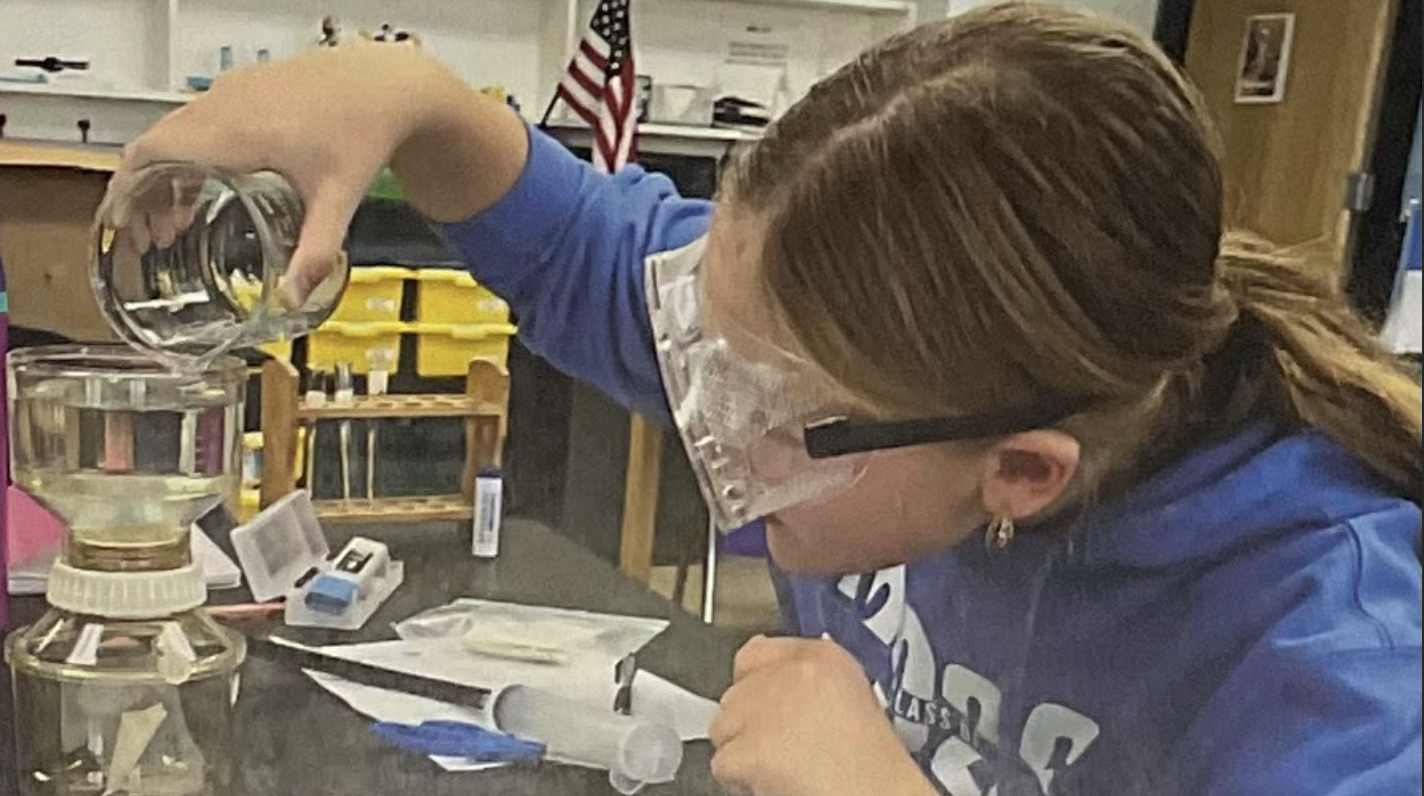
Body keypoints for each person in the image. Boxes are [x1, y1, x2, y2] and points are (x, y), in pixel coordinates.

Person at [112, 3, 1421, 795]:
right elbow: (581, 254)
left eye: (773, 414)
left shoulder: (1336, 654)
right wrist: (408, 95)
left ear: (1021, 473)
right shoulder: (862, 369)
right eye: (708, 348)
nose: (708, 423)